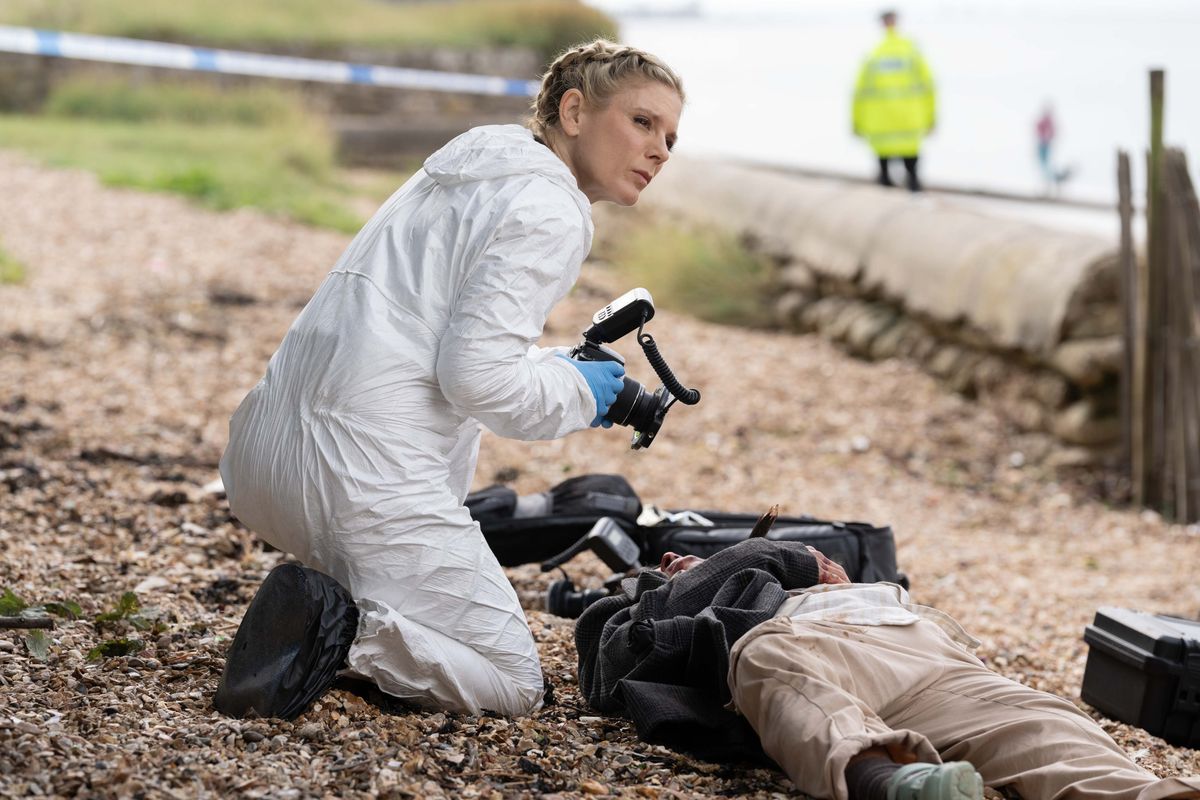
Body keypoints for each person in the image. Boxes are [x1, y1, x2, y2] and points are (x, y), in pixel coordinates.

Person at [216, 38, 684, 718]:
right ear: (575, 111)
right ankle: (341, 633)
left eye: (671, 136)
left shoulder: (473, 166)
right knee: (513, 681)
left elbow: (436, 333)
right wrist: (586, 394)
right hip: (359, 475)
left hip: (264, 457)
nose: (661, 149)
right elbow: (476, 380)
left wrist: (559, 367)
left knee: (438, 608)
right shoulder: (554, 210)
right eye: (643, 122)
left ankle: (328, 596)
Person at [576, 539, 1200, 800]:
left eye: (820, 554)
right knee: (768, 663)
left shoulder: (880, 591)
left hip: (936, 661)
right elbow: (614, 654)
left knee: (1047, 726)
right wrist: (713, 570)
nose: (817, 559)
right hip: (822, 651)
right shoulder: (719, 606)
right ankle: (890, 782)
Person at [852, 9, 936, 192]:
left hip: (880, 125)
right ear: (897, 22)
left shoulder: (873, 55)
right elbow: (929, 87)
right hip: (909, 122)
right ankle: (914, 196)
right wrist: (932, 118)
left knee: (884, 177)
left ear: (882, 24)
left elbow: (858, 93)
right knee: (912, 174)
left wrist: (856, 122)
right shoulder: (912, 53)